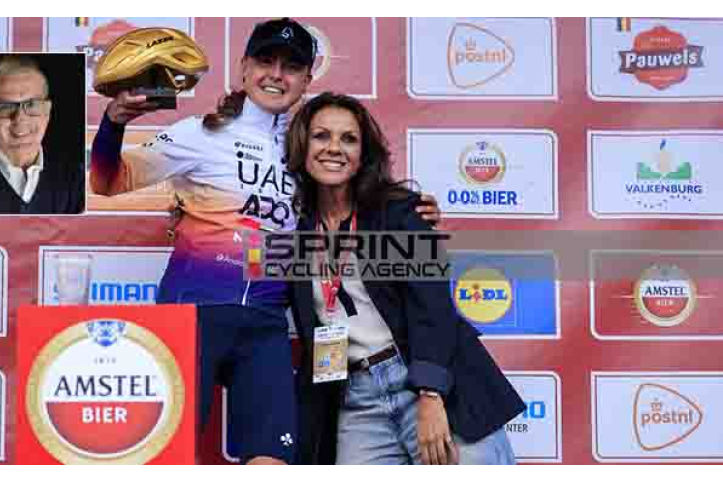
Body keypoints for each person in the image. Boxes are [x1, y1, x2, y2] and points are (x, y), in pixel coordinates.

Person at [92, 19, 441, 465]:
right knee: (165, 453)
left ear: (306, 80)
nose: (276, 74)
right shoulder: (200, 133)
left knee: (272, 457)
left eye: (291, 67)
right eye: (265, 61)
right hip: (191, 316)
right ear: (244, 67)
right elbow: (107, 181)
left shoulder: (306, 153)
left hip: (266, 325)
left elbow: (354, 208)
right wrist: (113, 123)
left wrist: (413, 209)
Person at [287, 92, 525, 466]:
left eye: (348, 139)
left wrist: (431, 393)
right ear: (302, 145)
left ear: (363, 155)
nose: (334, 148)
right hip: (356, 399)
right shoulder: (295, 232)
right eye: (321, 136)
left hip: (427, 382)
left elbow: (433, 307)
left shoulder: (398, 213)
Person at [0, 55, 85, 215]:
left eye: (31, 104)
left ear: (47, 111)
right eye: (5, 106)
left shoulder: (79, 179)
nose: (20, 119)